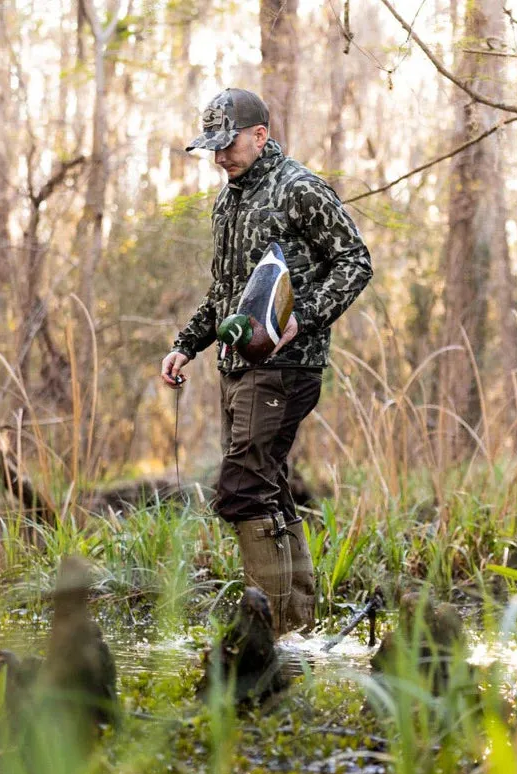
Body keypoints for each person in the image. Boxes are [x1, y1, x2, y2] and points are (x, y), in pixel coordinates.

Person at [161, 87, 372, 635]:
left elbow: (354, 260)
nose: (218, 157)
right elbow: (224, 292)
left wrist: (308, 315)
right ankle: (299, 625)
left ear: (260, 135)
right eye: (211, 147)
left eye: (227, 145)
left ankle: (275, 628)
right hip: (236, 367)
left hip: (286, 365)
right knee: (269, 487)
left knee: (241, 491)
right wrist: (186, 344)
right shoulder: (228, 200)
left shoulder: (299, 188)